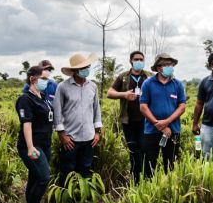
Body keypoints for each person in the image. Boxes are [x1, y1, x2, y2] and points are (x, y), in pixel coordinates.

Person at [16, 65, 55, 203]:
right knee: (43, 178)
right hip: (32, 145)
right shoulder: (25, 99)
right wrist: (31, 147)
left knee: (35, 177)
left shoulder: (43, 97)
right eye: (44, 78)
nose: (47, 82)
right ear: (33, 78)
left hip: (45, 144)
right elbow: (27, 124)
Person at [52, 52, 102, 186]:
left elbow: (96, 109)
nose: (86, 69)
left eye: (87, 66)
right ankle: (66, 200)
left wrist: (97, 132)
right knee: (68, 171)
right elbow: (57, 111)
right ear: (74, 70)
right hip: (71, 139)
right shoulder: (63, 87)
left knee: (85, 169)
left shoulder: (93, 86)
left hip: (89, 138)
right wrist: (62, 134)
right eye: (83, 67)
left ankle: (83, 200)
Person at [140, 53, 186, 178]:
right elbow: (143, 107)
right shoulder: (148, 84)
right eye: (166, 64)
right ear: (159, 67)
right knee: (149, 165)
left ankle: (169, 192)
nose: (169, 67)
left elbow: (182, 106)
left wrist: (166, 122)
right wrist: (157, 124)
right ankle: (148, 191)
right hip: (151, 131)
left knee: (171, 164)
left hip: (173, 131)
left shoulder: (178, 84)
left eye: (170, 64)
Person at [107, 50, 149, 182]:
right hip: (128, 121)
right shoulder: (123, 77)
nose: (139, 62)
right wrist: (124, 94)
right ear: (131, 61)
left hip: (145, 121)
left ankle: (147, 178)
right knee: (133, 150)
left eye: (141, 59)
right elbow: (110, 93)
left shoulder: (149, 77)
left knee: (144, 149)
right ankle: (135, 178)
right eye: (136, 59)